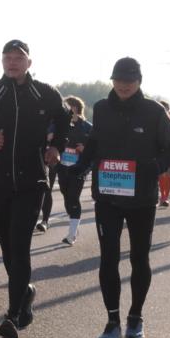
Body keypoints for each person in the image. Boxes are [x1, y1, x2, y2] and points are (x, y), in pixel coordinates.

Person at [0, 40, 70, 338]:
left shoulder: (45, 93)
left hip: (32, 181)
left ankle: (12, 315)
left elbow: (63, 118)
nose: (12, 63)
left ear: (29, 62)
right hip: (0, 182)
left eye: (18, 58)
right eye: (7, 58)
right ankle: (26, 294)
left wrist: (57, 145)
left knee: (19, 246)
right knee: (8, 248)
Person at [75, 58, 170, 338]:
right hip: (107, 196)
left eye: (129, 80)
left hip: (141, 199)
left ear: (139, 81)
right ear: (112, 80)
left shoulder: (154, 111)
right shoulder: (102, 108)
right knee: (108, 257)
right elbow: (94, 143)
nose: (123, 85)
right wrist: (78, 167)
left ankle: (135, 317)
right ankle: (112, 322)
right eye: (119, 79)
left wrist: (154, 167)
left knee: (138, 257)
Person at [55, 96, 93, 245]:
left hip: (79, 168)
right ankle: (74, 225)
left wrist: (85, 149)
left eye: (68, 106)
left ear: (76, 108)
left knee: (73, 197)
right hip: (63, 166)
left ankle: (71, 235)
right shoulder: (62, 125)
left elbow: (95, 147)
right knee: (66, 197)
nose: (65, 109)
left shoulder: (87, 127)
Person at [157, 101, 170, 208]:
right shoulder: (153, 120)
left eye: (165, 108)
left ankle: (165, 197)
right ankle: (162, 195)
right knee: (160, 175)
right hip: (158, 151)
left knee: (168, 174)